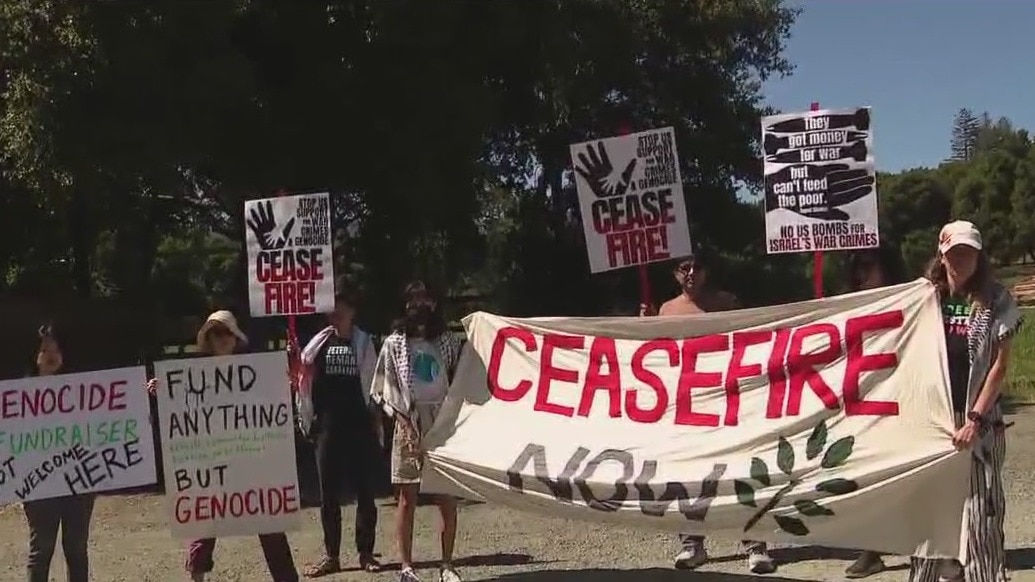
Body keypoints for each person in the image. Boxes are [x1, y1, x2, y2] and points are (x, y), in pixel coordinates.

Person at [640, 254, 775, 575]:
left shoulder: (726, 303)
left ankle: (755, 545)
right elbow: (656, 353)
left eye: (696, 267)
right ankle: (692, 544)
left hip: (728, 402)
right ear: (674, 274)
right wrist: (641, 326)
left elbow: (751, 340)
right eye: (683, 268)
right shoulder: (666, 311)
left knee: (742, 471)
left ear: (706, 272)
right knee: (689, 474)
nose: (690, 273)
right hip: (687, 404)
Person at [909, 220, 1023, 582]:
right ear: (941, 255)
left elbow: (999, 366)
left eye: (968, 253)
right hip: (933, 416)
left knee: (980, 512)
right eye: (954, 253)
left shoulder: (996, 299)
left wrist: (974, 418)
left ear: (979, 255)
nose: (961, 260)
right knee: (927, 510)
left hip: (978, 418)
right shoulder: (922, 298)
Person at [148, 310, 299, 582]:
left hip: (250, 459)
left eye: (227, 332)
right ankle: (196, 575)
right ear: (209, 339)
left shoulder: (255, 372)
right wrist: (162, 390)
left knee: (268, 519)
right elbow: (182, 409)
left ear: (235, 337)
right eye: (216, 333)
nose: (222, 338)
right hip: (212, 460)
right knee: (206, 518)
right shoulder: (191, 374)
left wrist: (285, 378)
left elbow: (271, 404)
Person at [372, 281, 464, 582]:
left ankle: (447, 564)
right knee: (407, 497)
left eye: (424, 299)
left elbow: (460, 378)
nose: (418, 306)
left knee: (446, 496)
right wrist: (403, 421)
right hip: (407, 422)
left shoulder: (448, 341)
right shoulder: (393, 344)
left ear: (434, 304)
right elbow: (385, 389)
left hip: (443, 423)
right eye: (412, 301)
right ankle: (407, 567)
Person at [294, 282, 383, 577]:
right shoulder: (316, 345)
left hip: (359, 424)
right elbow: (304, 382)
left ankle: (366, 552)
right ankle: (332, 555)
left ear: (352, 311)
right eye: (332, 307)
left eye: (341, 307)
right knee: (328, 494)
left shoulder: (363, 342)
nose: (335, 312)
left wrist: (376, 422)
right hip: (328, 426)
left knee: (365, 492)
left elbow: (373, 385)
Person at [839, 245, 906, 579]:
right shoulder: (848, 305)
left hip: (902, 400)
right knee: (867, 476)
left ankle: (940, 547)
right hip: (866, 404)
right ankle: (872, 547)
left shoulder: (909, 300)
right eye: (854, 266)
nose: (860, 273)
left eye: (866, 265)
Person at [21, 323, 96, 582]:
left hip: (79, 483)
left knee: (76, 550)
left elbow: (113, 419)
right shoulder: (17, 398)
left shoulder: (86, 393)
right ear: (35, 355)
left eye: (55, 348)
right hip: (38, 484)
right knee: (41, 550)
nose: (50, 354)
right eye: (44, 349)